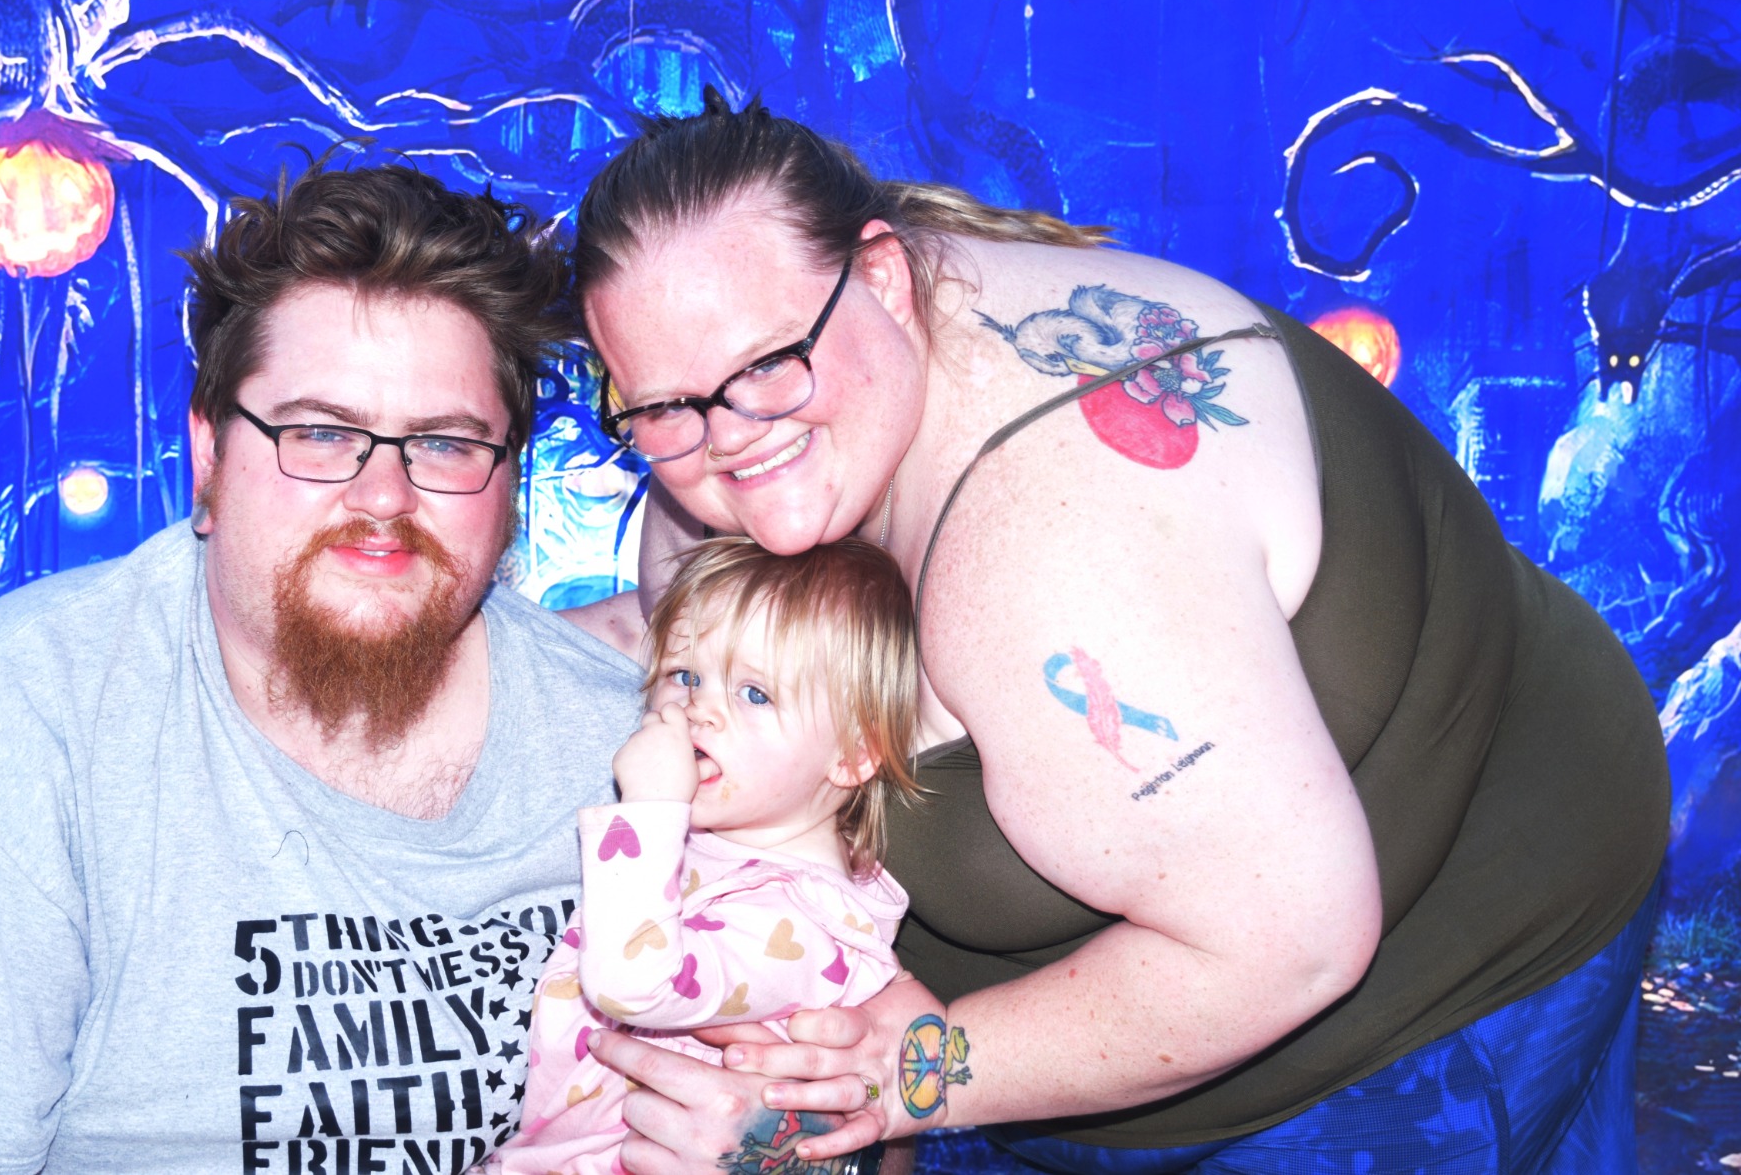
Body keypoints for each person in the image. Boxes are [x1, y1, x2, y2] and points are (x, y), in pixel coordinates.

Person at [568, 92, 1669, 1175]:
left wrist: (899, 1081)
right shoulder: (802, 355)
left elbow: (1288, 943)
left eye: (767, 365)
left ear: (885, 275)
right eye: (663, 407)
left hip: (1420, 998)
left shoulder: (1053, 558)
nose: (729, 436)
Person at [0, 163, 647, 1173]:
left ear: (510, 477)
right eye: (320, 433)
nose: (383, 497)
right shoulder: (32, 720)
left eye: (443, 444)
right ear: (210, 456)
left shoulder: (627, 741)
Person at [491, 537, 916, 1175]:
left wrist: (649, 805)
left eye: (755, 693)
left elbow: (633, 987)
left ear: (853, 755)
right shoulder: (720, 851)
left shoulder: (808, 922)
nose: (697, 709)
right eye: (685, 676)